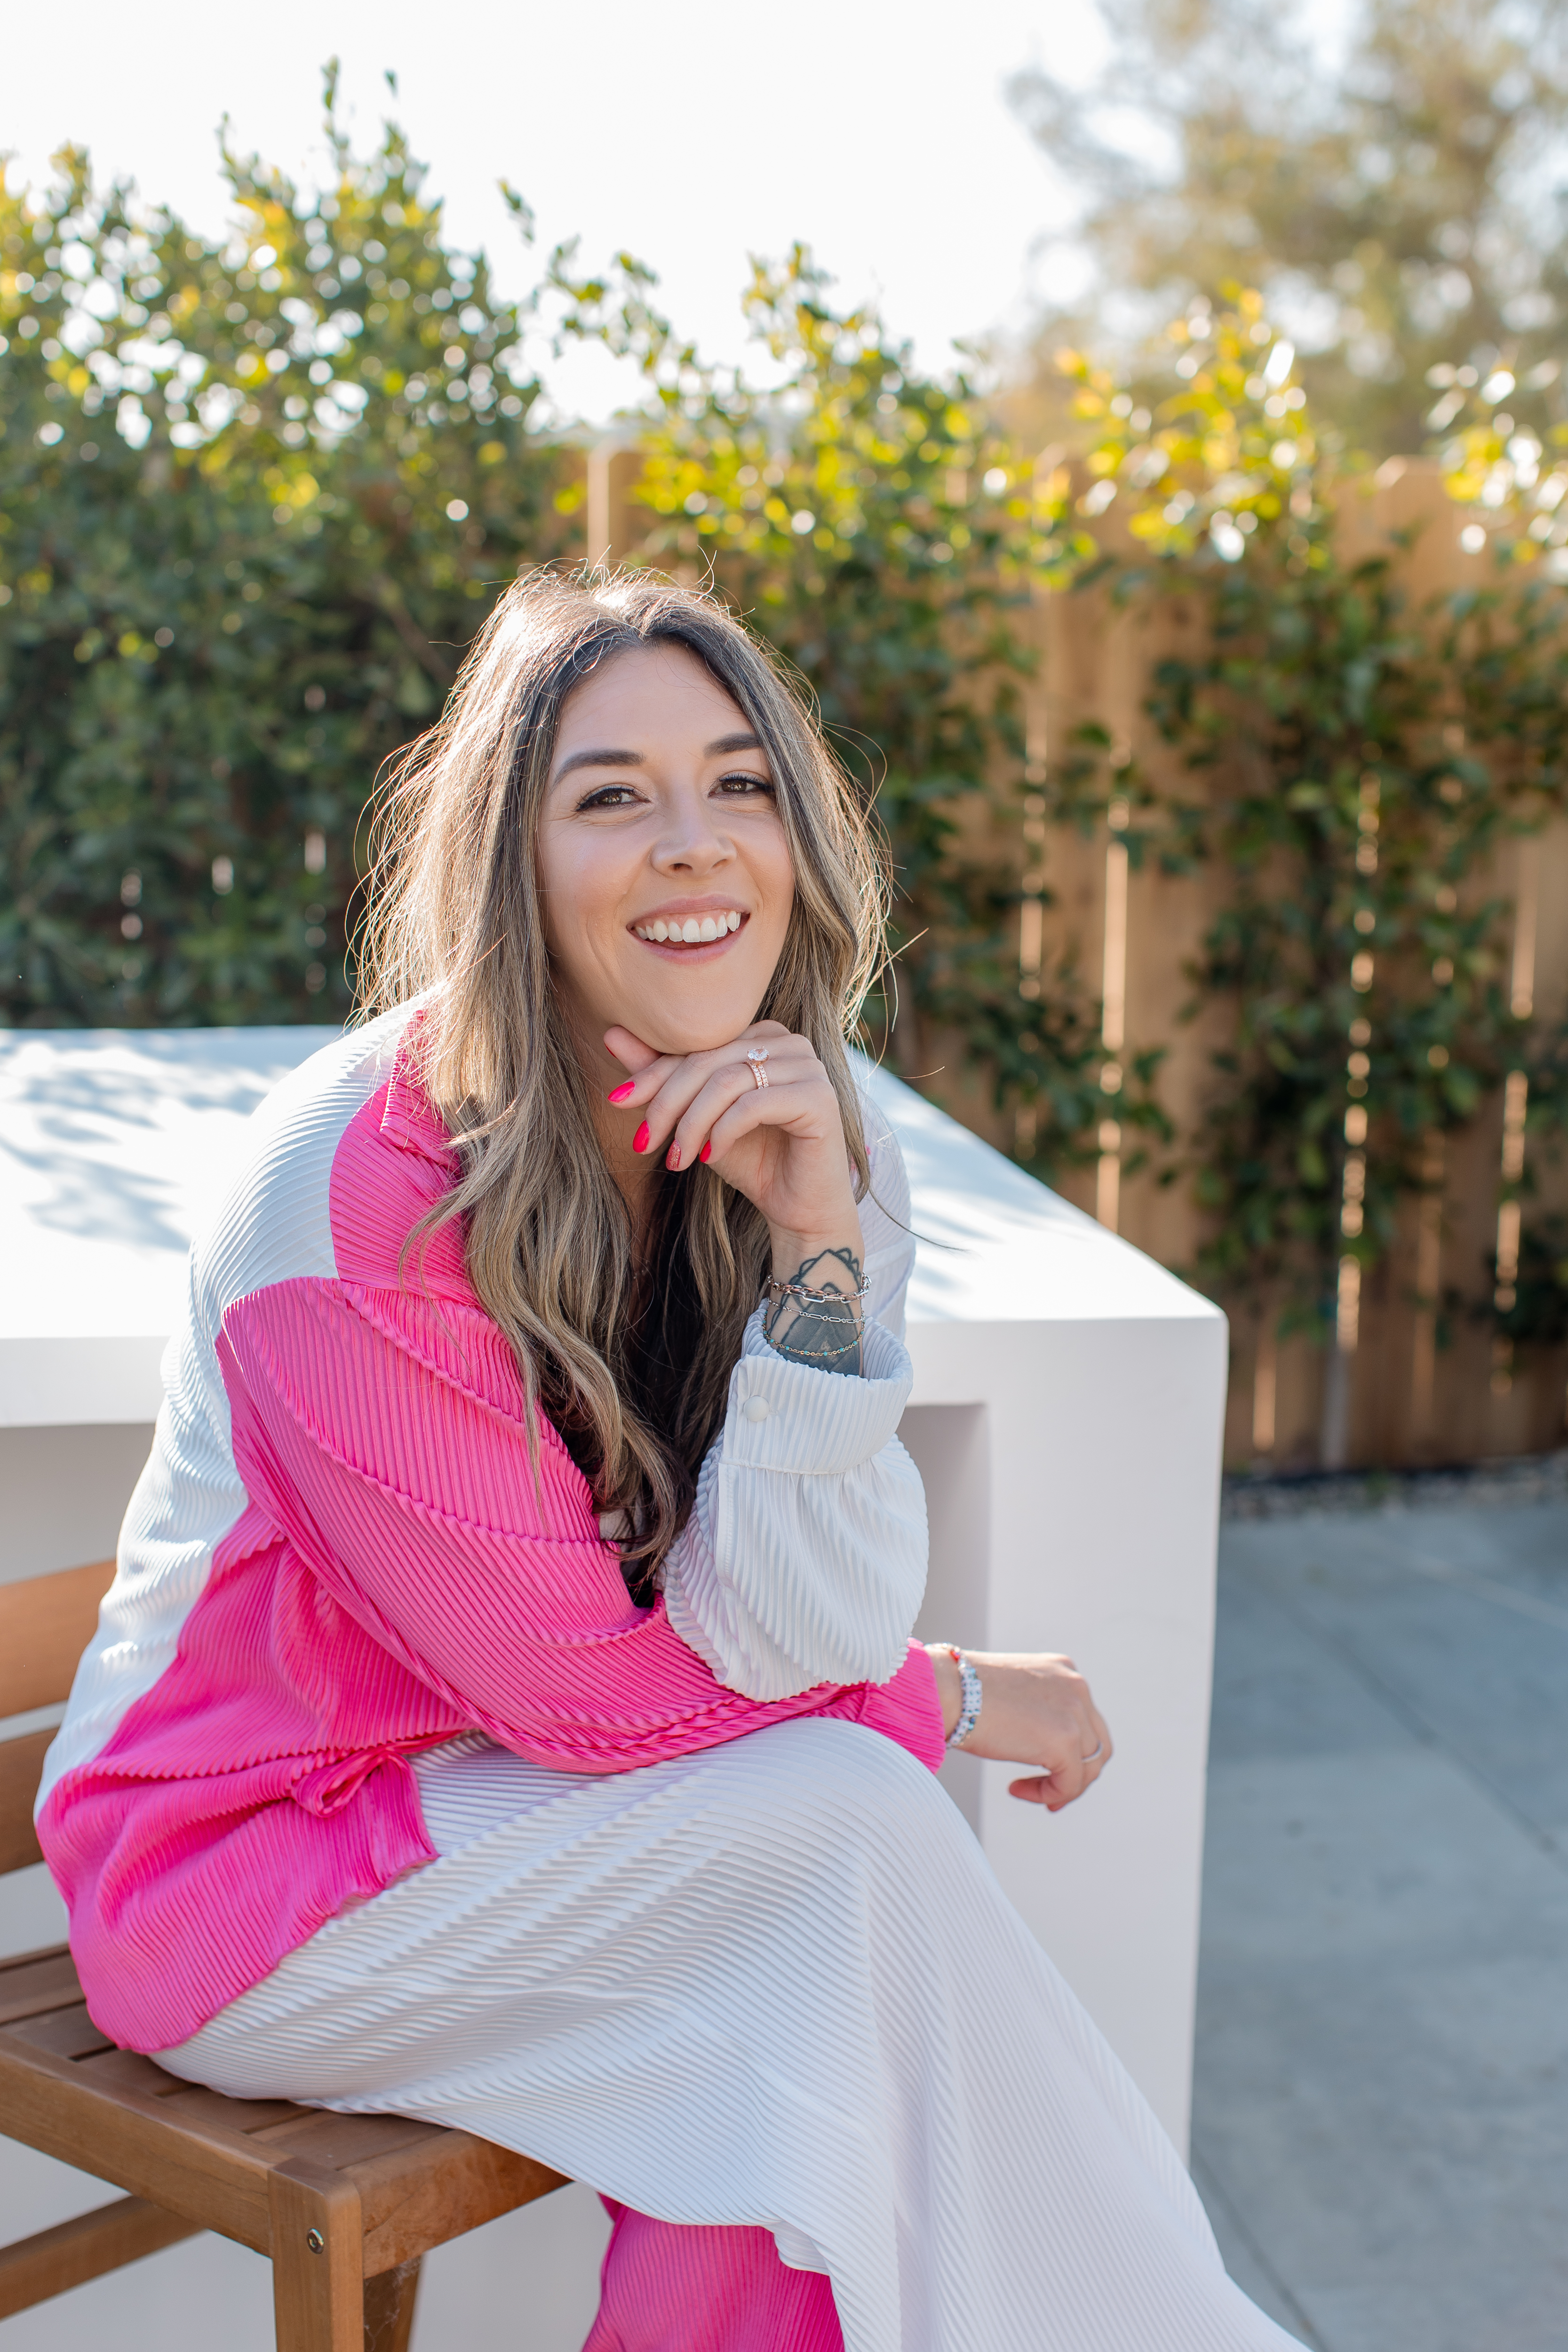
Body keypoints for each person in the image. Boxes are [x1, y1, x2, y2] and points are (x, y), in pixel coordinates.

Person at [36, 572, 1302, 2352]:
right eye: (612, 796)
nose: (694, 846)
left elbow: (797, 1625)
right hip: (251, 1884)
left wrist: (816, 1265)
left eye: (741, 784)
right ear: (512, 864)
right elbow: (608, 1713)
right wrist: (942, 1700)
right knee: (835, 1863)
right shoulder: (349, 1207)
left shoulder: (806, 1143)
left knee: (812, 1997)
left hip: (519, 1809)